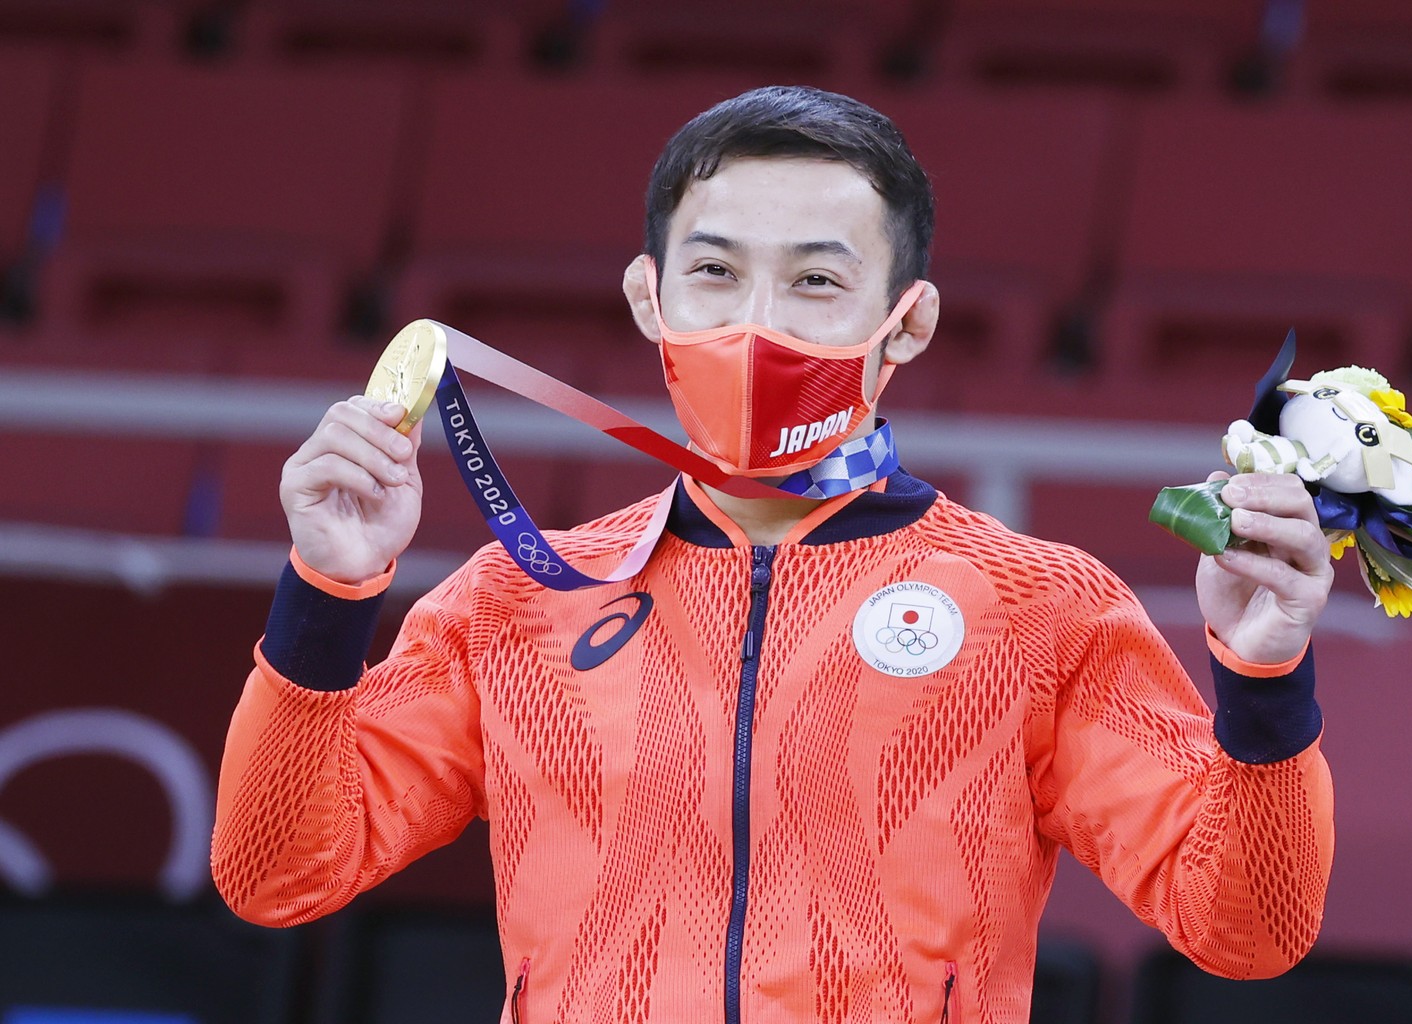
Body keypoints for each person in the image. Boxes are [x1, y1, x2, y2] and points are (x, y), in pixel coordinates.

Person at [213, 85, 1335, 1023]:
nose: (758, 327)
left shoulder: (1038, 608)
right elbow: (277, 872)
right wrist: (326, 594)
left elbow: (1251, 929)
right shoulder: (513, 600)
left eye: (815, 282)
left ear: (907, 322)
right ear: (649, 299)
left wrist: (1263, 679)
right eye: (714, 274)